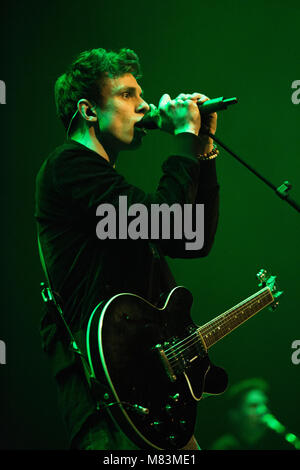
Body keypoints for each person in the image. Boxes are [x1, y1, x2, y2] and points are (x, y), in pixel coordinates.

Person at [35, 47, 220, 450]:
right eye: (127, 95)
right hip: (105, 401)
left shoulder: (106, 184)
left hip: (148, 392)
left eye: (142, 94)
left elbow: (189, 238)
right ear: (88, 110)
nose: (145, 105)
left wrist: (202, 150)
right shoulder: (68, 167)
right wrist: (184, 137)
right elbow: (165, 220)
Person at [208, 378, 296, 450]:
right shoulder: (224, 447)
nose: (264, 410)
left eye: (266, 404)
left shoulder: (276, 445)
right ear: (235, 414)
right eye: (253, 406)